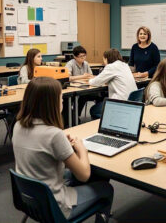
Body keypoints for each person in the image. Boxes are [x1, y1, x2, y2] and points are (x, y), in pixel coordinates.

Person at [12, 77, 113, 222]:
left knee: (74, 175)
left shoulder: (18, 126)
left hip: (30, 197)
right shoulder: (54, 135)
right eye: (60, 98)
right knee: (106, 187)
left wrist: (61, 143)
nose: (63, 101)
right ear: (50, 103)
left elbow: (42, 147)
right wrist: (81, 149)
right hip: (56, 206)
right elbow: (83, 175)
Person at [89, 49, 137, 119]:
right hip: (132, 102)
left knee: (94, 110)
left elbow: (95, 82)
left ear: (107, 58)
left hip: (120, 103)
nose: (104, 62)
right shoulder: (125, 65)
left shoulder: (111, 66)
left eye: (104, 59)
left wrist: (89, 80)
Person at [66, 46, 93, 117]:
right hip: (72, 88)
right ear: (75, 56)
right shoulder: (70, 64)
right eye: (81, 56)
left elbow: (90, 75)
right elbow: (67, 78)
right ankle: (72, 117)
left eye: (84, 56)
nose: (83, 58)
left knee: (85, 96)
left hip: (83, 87)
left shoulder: (86, 63)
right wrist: (83, 76)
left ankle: (76, 116)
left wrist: (88, 76)